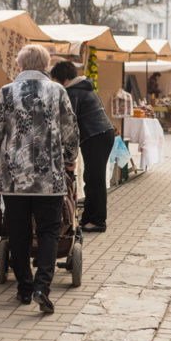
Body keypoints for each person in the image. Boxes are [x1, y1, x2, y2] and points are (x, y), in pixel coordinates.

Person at [0, 45, 79, 314]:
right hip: (48, 178)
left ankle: (24, 288)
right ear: (45, 65)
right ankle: (42, 287)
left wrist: (2, 160)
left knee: (18, 233)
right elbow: (70, 130)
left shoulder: (6, 92)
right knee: (49, 231)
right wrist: (68, 157)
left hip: (14, 179)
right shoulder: (57, 91)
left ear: (20, 65)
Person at [50, 61, 115, 233]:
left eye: (55, 80)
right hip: (100, 135)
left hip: (96, 136)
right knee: (92, 177)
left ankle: (98, 221)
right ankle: (89, 217)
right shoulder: (82, 87)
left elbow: (66, 122)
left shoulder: (72, 92)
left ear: (63, 80)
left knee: (95, 179)